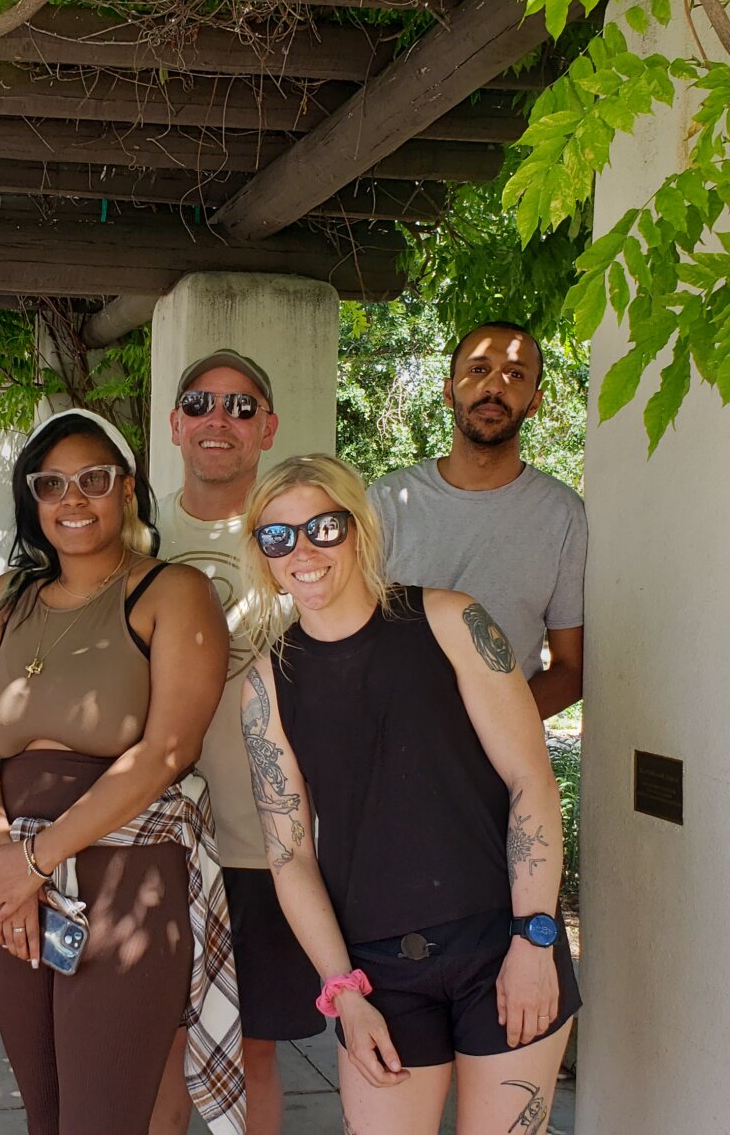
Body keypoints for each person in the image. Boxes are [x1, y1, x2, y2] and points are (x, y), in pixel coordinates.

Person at [238, 453, 580, 1134]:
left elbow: (529, 781)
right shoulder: (267, 682)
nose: (302, 551)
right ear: (264, 556)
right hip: (376, 971)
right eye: (278, 537)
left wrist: (534, 940)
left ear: (359, 529)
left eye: (322, 528)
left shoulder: (452, 622)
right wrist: (343, 992)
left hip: (501, 943)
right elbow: (290, 855)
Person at [0, 409, 246, 1135]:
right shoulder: (6, 600)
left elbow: (170, 749)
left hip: (124, 879)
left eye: (93, 480)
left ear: (126, 490)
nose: (72, 500)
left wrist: (37, 859)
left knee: (100, 1120)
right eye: (51, 485)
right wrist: (1, 861)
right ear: (32, 500)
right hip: (15, 885)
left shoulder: (173, 592)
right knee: (47, 1112)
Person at [147, 351, 321, 1135]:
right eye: (203, 404)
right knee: (158, 1044)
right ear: (177, 423)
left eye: (243, 407)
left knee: (250, 1051)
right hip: (148, 829)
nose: (222, 419)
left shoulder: (300, 533)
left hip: (261, 841)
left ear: (269, 427)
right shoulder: (135, 530)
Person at [367, 322, 587, 717]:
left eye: (515, 374)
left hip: (502, 766)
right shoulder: (385, 502)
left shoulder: (563, 514)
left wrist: (485, 727)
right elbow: (348, 642)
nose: (495, 386)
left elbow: (571, 669)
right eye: (478, 369)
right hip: (392, 745)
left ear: (535, 402)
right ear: (449, 390)